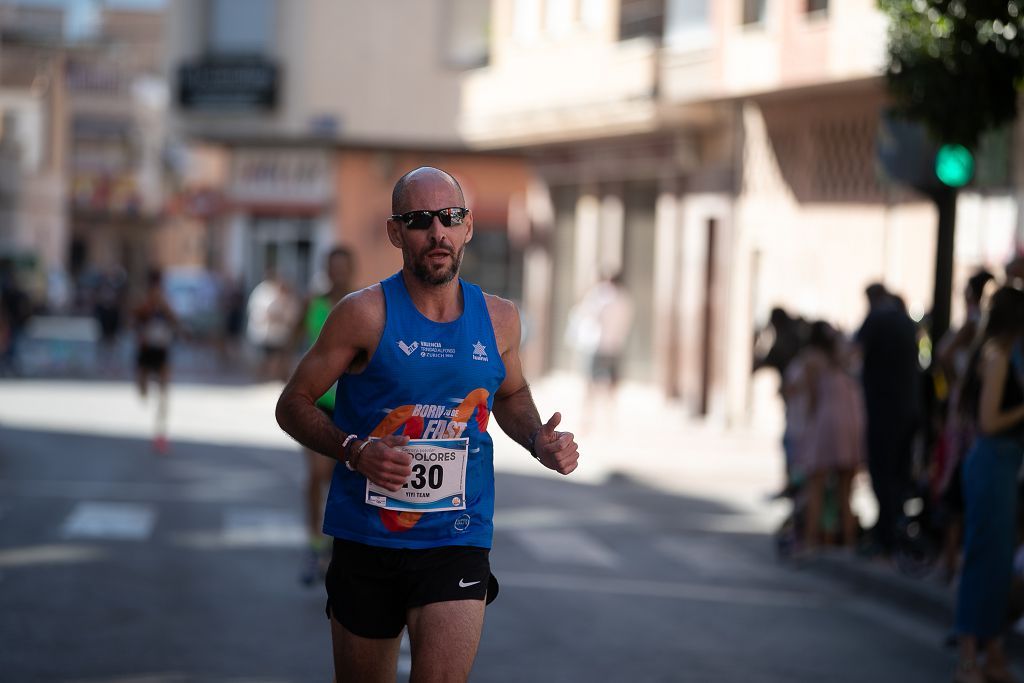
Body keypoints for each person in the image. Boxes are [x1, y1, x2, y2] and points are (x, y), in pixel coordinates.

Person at [275, 167, 580, 683]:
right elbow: (293, 403)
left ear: (467, 227)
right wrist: (354, 450)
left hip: (457, 537)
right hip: (367, 539)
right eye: (420, 220)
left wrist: (536, 438)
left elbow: (509, 392)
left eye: (450, 217)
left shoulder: (500, 318)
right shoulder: (363, 314)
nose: (437, 232)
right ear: (396, 233)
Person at [951, 285, 1024, 683]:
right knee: (983, 560)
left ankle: (991, 652)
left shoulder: (1002, 353)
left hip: (1002, 464)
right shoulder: (996, 355)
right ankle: (967, 658)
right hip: (992, 461)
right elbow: (989, 422)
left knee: (997, 565)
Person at [293, 245, 356, 586]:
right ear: (327, 270)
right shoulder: (313, 303)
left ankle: (332, 543)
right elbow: (296, 339)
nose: (339, 273)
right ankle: (314, 541)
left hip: (352, 404)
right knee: (316, 473)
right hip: (319, 400)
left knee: (341, 476)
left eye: (344, 267)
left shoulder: (365, 306)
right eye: (334, 267)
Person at [934, 269, 996, 581]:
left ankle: (952, 563)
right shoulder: (981, 323)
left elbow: (943, 352)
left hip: (969, 416)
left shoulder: (977, 322)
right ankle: (953, 563)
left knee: (960, 487)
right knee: (962, 489)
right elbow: (944, 353)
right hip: (971, 415)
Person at [855, 283, 922, 558]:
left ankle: (886, 535)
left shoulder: (877, 319)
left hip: (884, 409)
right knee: (898, 473)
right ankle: (892, 530)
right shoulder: (906, 322)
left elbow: (853, 353)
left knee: (882, 473)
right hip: (909, 409)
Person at [792, 321, 865, 552]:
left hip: (827, 420)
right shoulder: (844, 357)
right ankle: (849, 541)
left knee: (817, 485)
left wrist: (809, 425)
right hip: (851, 418)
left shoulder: (812, 359)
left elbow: (811, 394)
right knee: (845, 488)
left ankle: (811, 540)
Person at [565, 271, 633, 432]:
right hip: (615, 346)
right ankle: (610, 421)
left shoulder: (599, 295)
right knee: (611, 384)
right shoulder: (625, 298)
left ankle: (586, 421)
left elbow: (585, 315)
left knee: (589, 383)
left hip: (596, 344)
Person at [133, 269, 180, 454]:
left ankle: (160, 432)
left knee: (164, 393)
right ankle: (145, 390)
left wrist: (165, 308)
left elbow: (176, 322)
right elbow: (133, 321)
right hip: (146, 351)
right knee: (143, 391)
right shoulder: (142, 301)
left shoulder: (166, 303)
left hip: (161, 350)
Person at [246, 267, 299, 381]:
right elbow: (262, 314)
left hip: (280, 335)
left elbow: (292, 317)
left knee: (279, 359)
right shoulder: (263, 292)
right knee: (267, 359)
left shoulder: (287, 294)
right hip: (266, 335)